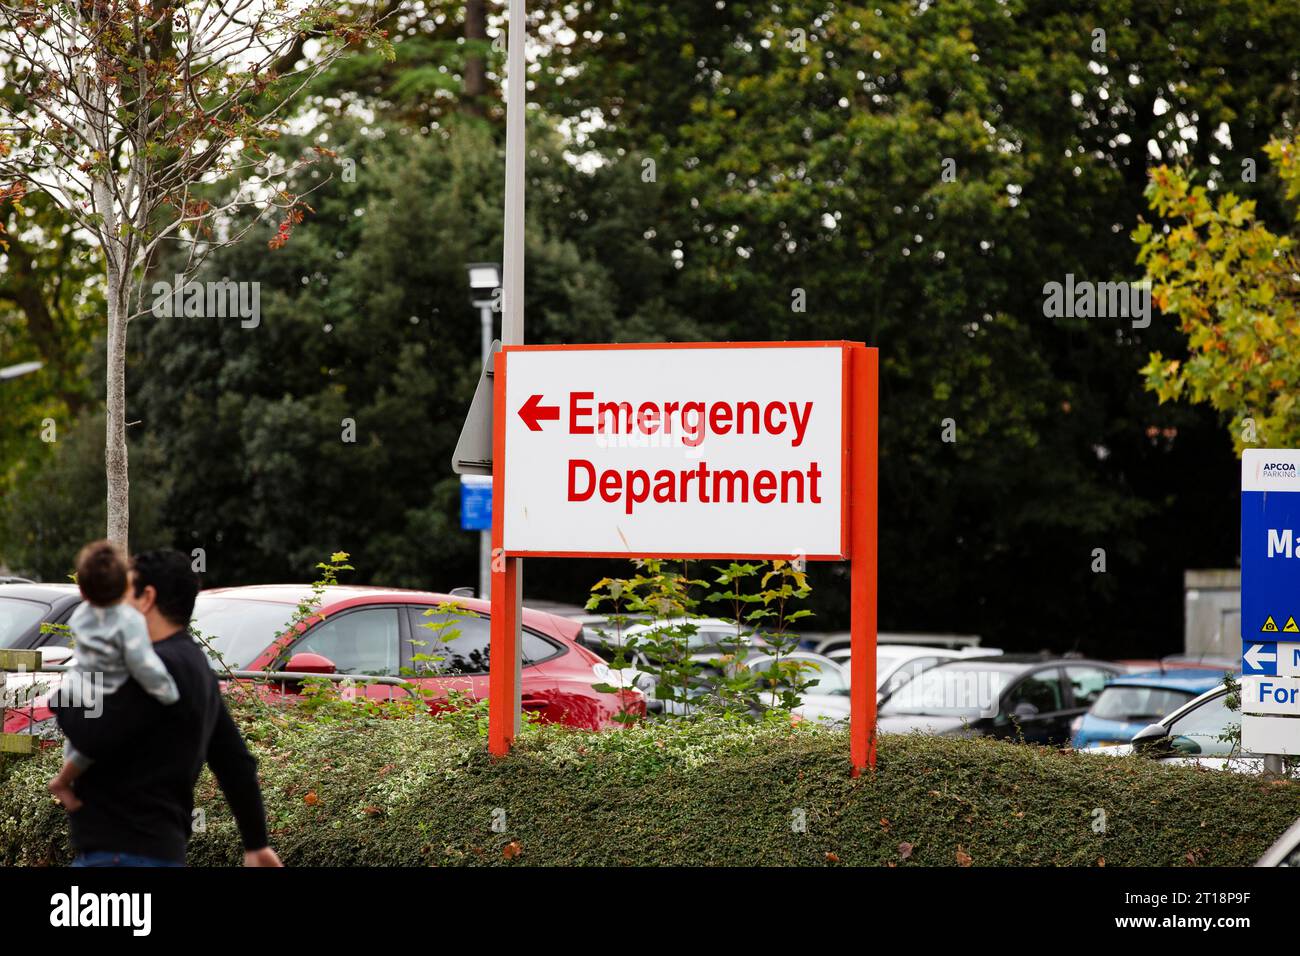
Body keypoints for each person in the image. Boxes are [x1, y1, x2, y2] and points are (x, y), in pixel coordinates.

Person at [53, 549, 281, 867]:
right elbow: (234, 762)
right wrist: (256, 843)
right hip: (162, 852)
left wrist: (63, 698)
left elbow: (91, 735)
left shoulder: (151, 670)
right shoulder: (197, 667)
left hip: (117, 853)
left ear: (146, 597)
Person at [47, 540, 180, 812]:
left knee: (79, 741)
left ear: (82, 591)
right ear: (127, 587)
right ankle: (63, 781)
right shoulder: (128, 621)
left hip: (75, 687)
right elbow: (143, 664)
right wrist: (168, 692)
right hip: (105, 693)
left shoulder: (81, 615)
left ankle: (65, 780)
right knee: (96, 742)